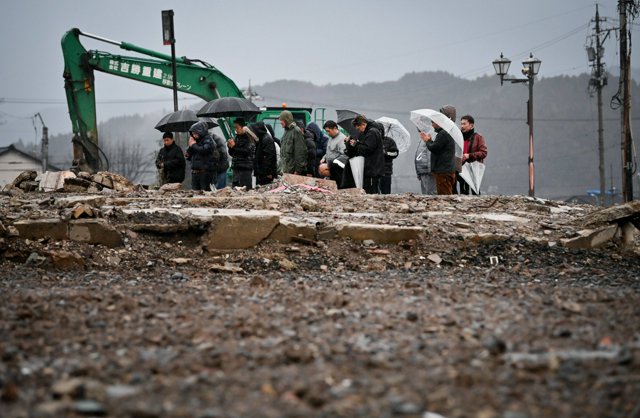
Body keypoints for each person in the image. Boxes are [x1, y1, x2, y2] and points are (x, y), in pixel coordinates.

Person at [345, 114, 384, 194]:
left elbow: (368, 149)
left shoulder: (372, 132)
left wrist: (357, 144)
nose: (359, 130)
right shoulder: (370, 132)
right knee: (371, 189)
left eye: (359, 128)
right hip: (371, 168)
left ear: (363, 124)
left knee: (371, 191)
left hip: (372, 168)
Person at [419, 111, 456, 195]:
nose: (432, 124)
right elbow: (438, 147)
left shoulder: (443, 134)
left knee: (444, 195)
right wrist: (430, 140)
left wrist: (427, 141)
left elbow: (433, 148)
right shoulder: (445, 133)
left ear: (439, 122)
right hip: (446, 170)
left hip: (443, 171)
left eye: (433, 122)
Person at [457, 114, 488, 195]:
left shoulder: (478, 137)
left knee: (475, 192)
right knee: (463, 193)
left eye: (464, 124)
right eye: (461, 124)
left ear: (471, 125)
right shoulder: (458, 137)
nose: (462, 126)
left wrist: (469, 155)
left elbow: (483, 153)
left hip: (474, 169)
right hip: (461, 169)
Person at [186, 121, 218, 191]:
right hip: (195, 172)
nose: (194, 135)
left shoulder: (208, 140)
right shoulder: (195, 141)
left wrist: (193, 145)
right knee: (195, 193)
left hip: (205, 173)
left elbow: (204, 150)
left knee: (206, 193)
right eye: (192, 134)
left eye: (195, 133)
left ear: (200, 131)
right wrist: (189, 149)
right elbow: (189, 156)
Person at [227, 118, 255, 190]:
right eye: (234, 128)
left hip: (245, 169)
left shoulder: (249, 137)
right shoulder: (237, 137)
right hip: (236, 168)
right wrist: (230, 147)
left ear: (243, 127)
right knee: (235, 190)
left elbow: (246, 152)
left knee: (245, 190)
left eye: (237, 127)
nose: (236, 130)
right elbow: (232, 154)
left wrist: (234, 146)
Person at [279, 110, 307, 175]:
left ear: (287, 120)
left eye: (282, 120)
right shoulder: (286, 131)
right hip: (285, 170)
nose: (280, 122)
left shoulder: (296, 131)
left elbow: (300, 152)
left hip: (292, 171)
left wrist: (298, 170)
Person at [321, 120, 347, 187]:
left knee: (337, 186)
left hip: (337, 169)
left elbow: (344, 155)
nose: (327, 133)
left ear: (335, 128)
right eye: (326, 131)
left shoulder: (342, 139)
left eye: (328, 131)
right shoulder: (331, 138)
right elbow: (330, 151)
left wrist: (333, 162)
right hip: (330, 168)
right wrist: (324, 158)